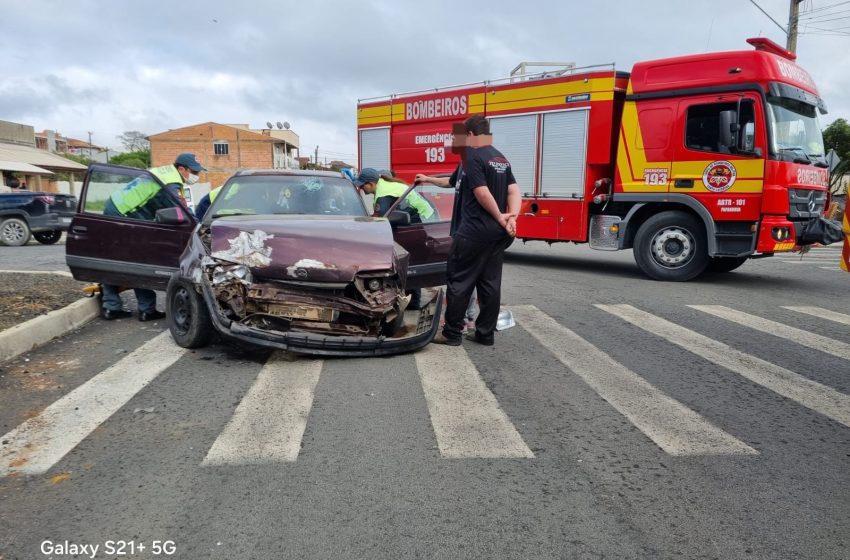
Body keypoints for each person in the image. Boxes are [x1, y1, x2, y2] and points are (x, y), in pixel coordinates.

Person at [422, 114, 520, 346]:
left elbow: (481, 192)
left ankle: (452, 333)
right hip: (497, 234)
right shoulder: (500, 158)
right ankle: (485, 334)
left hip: (473, 231)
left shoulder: (472, 155)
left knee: (459, 281)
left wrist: (500, 216)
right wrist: (511, 218)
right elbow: (514, 190)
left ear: (471, 135)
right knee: (489, 284)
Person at [100, 153, 205, 321]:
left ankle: (111, 307)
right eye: (194, 172)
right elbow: (182, 211)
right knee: (140, 261)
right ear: (182, 169)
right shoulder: (171, 183)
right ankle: (146, 310)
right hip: (124, 214)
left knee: (115, 261)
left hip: (114, 206)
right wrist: (199, 227)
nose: (196, 176)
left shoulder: (164, 173)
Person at [354, 168, 435, 223]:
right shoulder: (383, 183)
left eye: (362, 185)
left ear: (371, 184)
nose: (360, 188)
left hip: (425, 219)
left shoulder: (383, 194)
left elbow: (380, 221)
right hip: (426, 215)